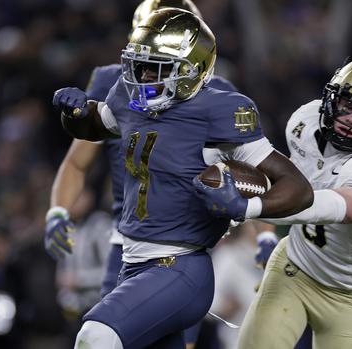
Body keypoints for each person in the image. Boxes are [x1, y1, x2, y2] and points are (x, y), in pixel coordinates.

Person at [52, 8, 313, 349]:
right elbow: (96, 125)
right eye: (139, 65)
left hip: (179, 266)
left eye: (156, 68)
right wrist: (75, 113)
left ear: (193, 69)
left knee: (95, 337)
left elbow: (298, 189)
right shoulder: (129, 98)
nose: (143, 77)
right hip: (132, 262)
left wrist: (248, 208)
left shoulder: (219, 111)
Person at [44, 2, 237, 348]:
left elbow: (251, 170)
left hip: (184, 247)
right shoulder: (113, 83)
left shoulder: (218, 97)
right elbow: (77, 161)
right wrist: (58, 209)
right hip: (125, 242)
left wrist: (261, 227)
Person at [221, 56, 352, 349]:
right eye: (347, 106)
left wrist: (251, 207)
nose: (350, 120)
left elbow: (332, 208)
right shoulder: (306, 121)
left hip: (350, 297)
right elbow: (285, 183)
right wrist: (265, 231)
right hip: (293, 268)